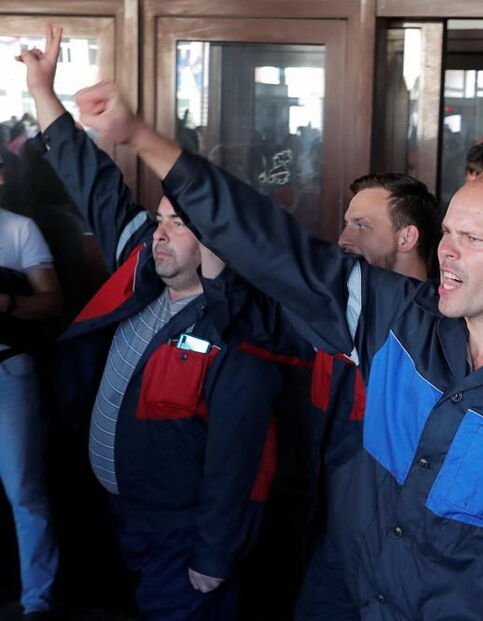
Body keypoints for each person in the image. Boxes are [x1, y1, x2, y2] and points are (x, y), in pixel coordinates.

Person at [74, 79, 483, 620]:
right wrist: (144, 139)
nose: (446, 252)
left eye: (472, 239)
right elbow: (277, 245)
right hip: (343, 591)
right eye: (447, 232)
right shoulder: (396, 319)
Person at [20, 27, 282, 620]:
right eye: (159, 217)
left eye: (179, 224)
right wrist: (43, 91)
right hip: (116, 515)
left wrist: (213, 554)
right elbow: (93, 182)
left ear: (217, 237)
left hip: (183, 535)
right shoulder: (142, 261)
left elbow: (237, 460)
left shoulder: (239, 329)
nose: (160, 232)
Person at [294, 172, 440, 620]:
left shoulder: (438, 331)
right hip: (331, 525)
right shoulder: (336, 310)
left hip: (399, 539)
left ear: (407, 236)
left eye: (361, 225)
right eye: (345, 223)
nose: (343, 238)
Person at [0, 200, 62, 620]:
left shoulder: (19, 228)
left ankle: (36, 603)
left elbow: (53, 301)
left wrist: (7, 305)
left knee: (25, 490)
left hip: (7, 367)